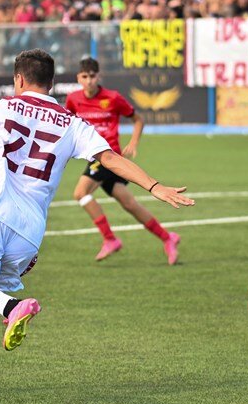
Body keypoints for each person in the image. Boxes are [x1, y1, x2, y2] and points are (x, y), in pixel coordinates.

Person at [0, 49, 194, 389]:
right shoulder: (73, 123)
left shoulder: (1, 109)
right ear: (51, 82)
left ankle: (11, 308)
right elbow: (108, 157)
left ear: (18, 79)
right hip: (30, 234)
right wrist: (154, 185)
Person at [65, 56, 180, 263]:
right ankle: (167, 237)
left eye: (92, 76)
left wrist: (134, 142)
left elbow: (137, 119)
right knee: (130, 204)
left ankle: (110, 239)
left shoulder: (113, 97)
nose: (89, 80)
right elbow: (69, 125)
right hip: (94, 156)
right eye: (85, 77)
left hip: (110, 156)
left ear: (98, 76)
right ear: (78, 78)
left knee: (80, 193)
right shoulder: (73, 99)